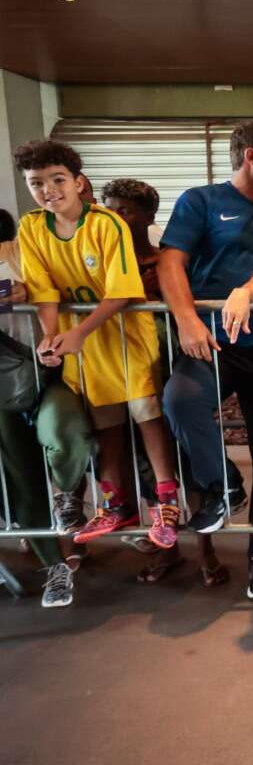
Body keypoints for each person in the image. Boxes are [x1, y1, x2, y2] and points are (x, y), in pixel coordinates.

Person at [14, 139, 183, 561]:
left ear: (77, 181)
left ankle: (166, 502)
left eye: (57, 180)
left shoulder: (106, 224)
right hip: (83, 344)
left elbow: (121, 290)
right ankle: (116, 504)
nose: (48, 190)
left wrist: (81, 332)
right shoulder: (32, 228)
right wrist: (52, 337)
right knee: (105, 419)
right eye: (37, 183)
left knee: (146, 415)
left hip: (124, 335)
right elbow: (44, 290)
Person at [159, 119, 253, 597]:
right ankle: (224, 483)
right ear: (252, 157)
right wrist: (187, 320)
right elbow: (170, 261)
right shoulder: (201, 201)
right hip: (210, 342)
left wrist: (249, 288)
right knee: (181, 399)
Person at [0, 212, 93, 607]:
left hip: (47, 376)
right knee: (23, 481)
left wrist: (30, 291)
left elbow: (54, 284)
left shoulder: (26, 251)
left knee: (67, 436)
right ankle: (53, 566)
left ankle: (68, 499)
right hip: (4, 393)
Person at [100, 179, 161, 299]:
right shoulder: (98, 263)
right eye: (108, 212)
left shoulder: (166, 263)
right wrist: (139, 289)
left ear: (149, 218)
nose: (113, 219)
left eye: (124, 212)